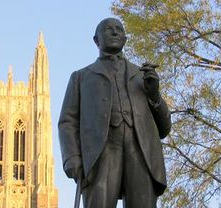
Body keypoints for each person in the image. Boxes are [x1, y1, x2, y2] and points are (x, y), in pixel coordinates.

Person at [58, 17, 171, 208]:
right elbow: (68, 121)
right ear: (96, 40)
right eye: (108, 29)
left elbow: (164, 128)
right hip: (101, 153)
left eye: (119, 29)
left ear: (125, 40)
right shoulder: (81, 77)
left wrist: (154, 95)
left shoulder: (142, 76)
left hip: (141, 153)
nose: (114, 32)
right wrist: (72, 157)